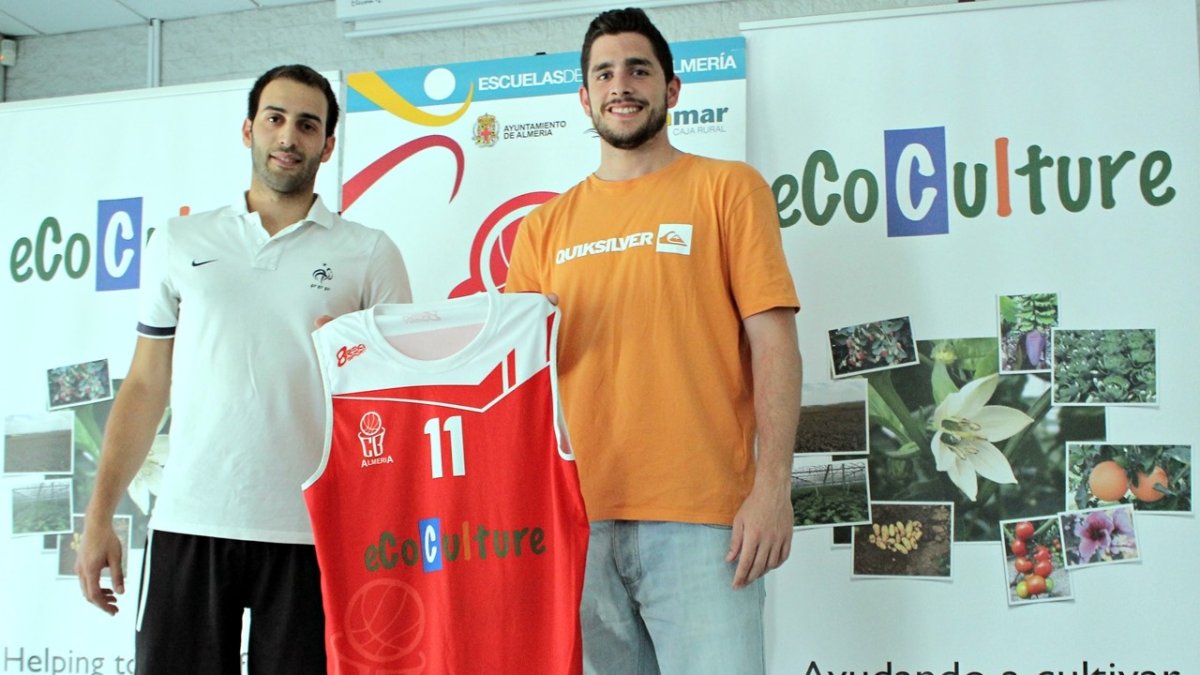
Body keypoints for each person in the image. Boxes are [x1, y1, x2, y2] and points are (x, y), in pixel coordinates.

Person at [75, 64, 412, 674]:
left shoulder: (370, 253)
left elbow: (394, 405)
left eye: (307, 125)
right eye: (275, 119)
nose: (288, 137)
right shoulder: (179, 240)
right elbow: (146, 386)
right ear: (248, 130)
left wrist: (352, 356)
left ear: (328, 145)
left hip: (314, 535)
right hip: (190, 524)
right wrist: (98, 518)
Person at [505, 7, 803, 674]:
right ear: (584, 98)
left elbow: (775, 343)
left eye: (639, 69)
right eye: (604, 73)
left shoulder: (728, 189)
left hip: (705, 524)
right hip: (576, 524)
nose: (621, 85)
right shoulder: (542, 229)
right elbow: (515, 377)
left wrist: (774, 485)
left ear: (671, 88)